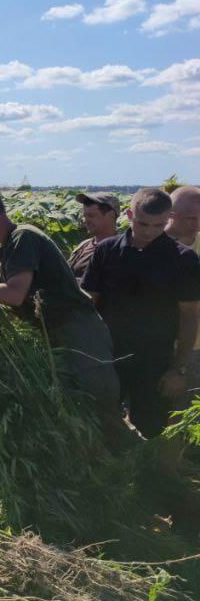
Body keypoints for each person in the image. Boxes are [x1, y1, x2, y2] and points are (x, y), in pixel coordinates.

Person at [0, 188, 133, 452]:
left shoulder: (23, 237)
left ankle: (137, 461)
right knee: (75, 408)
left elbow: (14, 294)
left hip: (79, 331)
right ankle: (96, 461)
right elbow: (8, 301)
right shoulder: (2, 253)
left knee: (99, 402)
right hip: (54, 334)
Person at [81, 188, 200, 439]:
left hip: (155, 361)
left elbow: (190, 316)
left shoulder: (183, 259)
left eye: (158, 225)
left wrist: (177, 369)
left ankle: (146, 465)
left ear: (168, 219)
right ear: (129, 215)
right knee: (99, 423)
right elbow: (89, 302)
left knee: (151, 428)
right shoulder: (107, 251)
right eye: (143, 223)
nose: (149, 231)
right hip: (107, 356)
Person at [167, 185, 200, 408]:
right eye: (191, 218)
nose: (197, 224)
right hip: (161, 345)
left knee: (188, 413)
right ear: (171, 215)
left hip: (197, 347)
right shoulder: (152, 245)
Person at [68, 192, 121, 279]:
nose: (86, 221)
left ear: (111, 215)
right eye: (85, 216)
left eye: (91, 216)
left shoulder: (120, 251)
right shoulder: (83, 245)